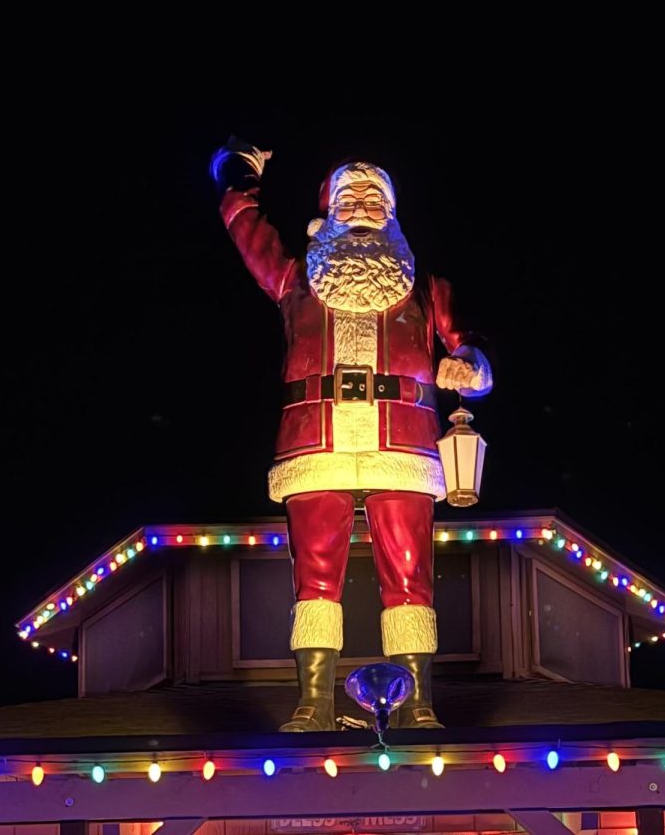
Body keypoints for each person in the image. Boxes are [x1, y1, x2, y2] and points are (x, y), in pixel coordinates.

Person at [211, 138, 493, 731]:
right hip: (316, 443)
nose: (362, 205)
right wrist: (238, 173)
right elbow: (244, 226)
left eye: (374, 197)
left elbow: (469, 346)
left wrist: (468, 365)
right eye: (349, 196)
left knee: (411, 572)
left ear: (393, 212)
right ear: (327, 211)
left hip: (405, 447)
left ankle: (417, 704)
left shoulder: (425, 288)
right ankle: (314, 702)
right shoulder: (294, 281)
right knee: (314, 573)